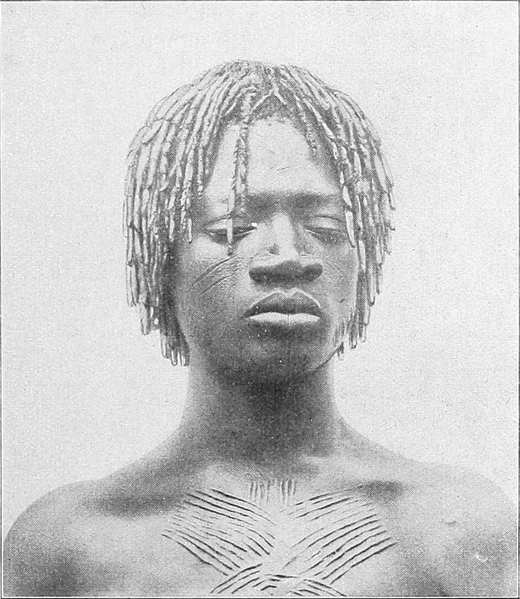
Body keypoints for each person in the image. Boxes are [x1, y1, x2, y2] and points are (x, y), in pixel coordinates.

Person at [4, 61, 515, 598]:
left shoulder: (454, 530)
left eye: (325, 227)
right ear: (160, 262)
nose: (289, 256)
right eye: (232, 227)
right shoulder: (72, 546)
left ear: (363, 262)